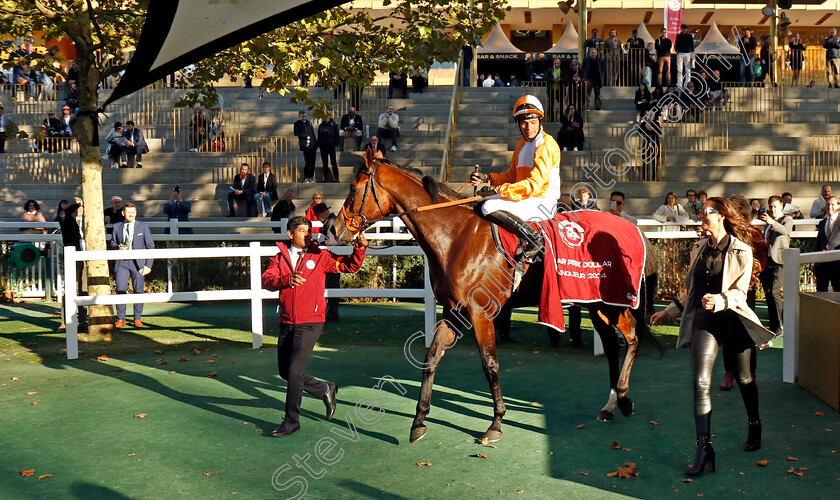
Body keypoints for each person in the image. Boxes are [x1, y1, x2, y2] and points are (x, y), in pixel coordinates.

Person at [651, 197, 776, 476]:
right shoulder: (699, 247)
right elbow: (692, 291)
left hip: (733, 320)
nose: (701, 215)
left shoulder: (742, 250)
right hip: (704, 322)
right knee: (700, 383)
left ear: (721, 216)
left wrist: (719, 300)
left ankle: (754, 424)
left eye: (706, 211)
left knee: (744, 378)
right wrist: (669, 311)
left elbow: (740, 292)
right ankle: (704, 448)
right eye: (700, 211)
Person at [261, 216, 368, 437]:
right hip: (287, 321)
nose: (307, 234)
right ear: (290, 234)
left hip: (311, 321)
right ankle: (325, 389)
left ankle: (291, 421)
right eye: (301, 230)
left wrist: (358, 250)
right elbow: (267, 280)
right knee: (285, 372)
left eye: (308, 230)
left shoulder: (320, 255)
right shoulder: (279, 258)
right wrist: (286, 280)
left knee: (294, 372)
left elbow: (349, 266)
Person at [468, 95, 561, 266]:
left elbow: (533, 185)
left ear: (539, 121)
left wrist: (499, 190)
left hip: (542, 202)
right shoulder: (522, 144)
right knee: (480, 202)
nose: (528, 127)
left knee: (488, 206)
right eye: (524, 123)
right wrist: (488, 179)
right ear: (518, 124)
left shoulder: (546, 146)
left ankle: (534, 239)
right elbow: (512, 176)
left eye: (532, 122)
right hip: (525, 197)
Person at [718, 194, 767, 391]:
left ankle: (750, 372)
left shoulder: (754, 232)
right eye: (731, 207)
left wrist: (754, 273)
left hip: (747, 289)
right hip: (725, 289)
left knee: (747, 329)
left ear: (744, 210)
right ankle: (729, 372)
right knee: (727, 331)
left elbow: (763, 257)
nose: (734, 210)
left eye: (738, 207)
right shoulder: (724, 232)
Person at [110, 203, 155, 329]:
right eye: (128, 212)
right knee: (120, 289)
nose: (131, 215)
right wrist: (117, 246)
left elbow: (150, 246)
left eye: (133, 212)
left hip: (138, 263)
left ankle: (137, 318)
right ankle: (121, 318)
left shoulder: (143, 226)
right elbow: (112, 242)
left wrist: (148, 265)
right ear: (123, 213)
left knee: (138, 290)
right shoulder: (117, 226)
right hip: (122, 262)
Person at [760, 195, 792, 335]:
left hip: (779, 260)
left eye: (775, 206)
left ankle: (781, 325)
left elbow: (786, 231)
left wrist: (772, 223)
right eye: (771, 206)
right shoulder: (768, 222)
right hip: (767, 261)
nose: (773, 209)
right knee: (768, 293)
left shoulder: (787, 219)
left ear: (781, 207)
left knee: (775, 291)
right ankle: (774, 326)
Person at [58, 201, 87, 331]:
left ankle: (83, 321)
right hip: (72, 257)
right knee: (70, 289)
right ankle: (65, 321)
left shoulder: (92, 220)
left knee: (84, 290)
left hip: (87, 258)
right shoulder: (66, 219)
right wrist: (78, 204)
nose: (80, 209)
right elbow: (66, 211)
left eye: (82, 207)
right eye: (78, 208)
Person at [313, 203, 342, 321]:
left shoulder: (330, 222)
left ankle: (332, 313)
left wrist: (319, 245)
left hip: (332, 258)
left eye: (318, 216)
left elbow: (331, 242)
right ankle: (332, 312)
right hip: (334, 257)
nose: (318, 219)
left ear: (323, 213)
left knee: (331, 285)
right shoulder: (331, 221)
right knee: (332, 285)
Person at [815, 196, 840, 291]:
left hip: (837, 263)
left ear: (838, 206)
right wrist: (814, 262)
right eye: (828, 204)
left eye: (832, 205)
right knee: (821, 291)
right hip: (822, 263)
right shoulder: (822, 223)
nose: (830, 207)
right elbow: (819, 243)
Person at [294, 110, 318, 183]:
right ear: (299, 116)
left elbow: (312, 133)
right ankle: (306, 177)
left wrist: (315, 143)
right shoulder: (297, 123)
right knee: (307, 161)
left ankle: (311, 177)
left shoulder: (309, 123)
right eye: (302, 116)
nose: (303, 118)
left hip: (312, 145)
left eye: (304, 116)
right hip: (305, 145)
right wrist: (305, 136)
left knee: (313, 162)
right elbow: (296, 133)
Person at [317, 114, 340, 183]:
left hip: (331, 145)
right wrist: (319, 143)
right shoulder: (321, 125)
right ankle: (326, 178)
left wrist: (335, 143)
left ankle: (336, 178)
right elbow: (319, 135)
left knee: (333, 162)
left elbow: (337, 135)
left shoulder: (334, 125)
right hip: (323, 146)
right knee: (325, 163)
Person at [675, 24, 695, 89]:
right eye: (683, 28)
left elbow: (692, 45)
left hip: (687, 53)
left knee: (688, 70)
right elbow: (676, 44)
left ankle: (687, 83)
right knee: (679, 69)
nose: (684, 30)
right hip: (680, 53)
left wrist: (693, 54)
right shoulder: (678, 36)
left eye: (685, 28)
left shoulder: (689, 36)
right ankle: (679, 83)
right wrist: (676, 50)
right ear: (681, 29)